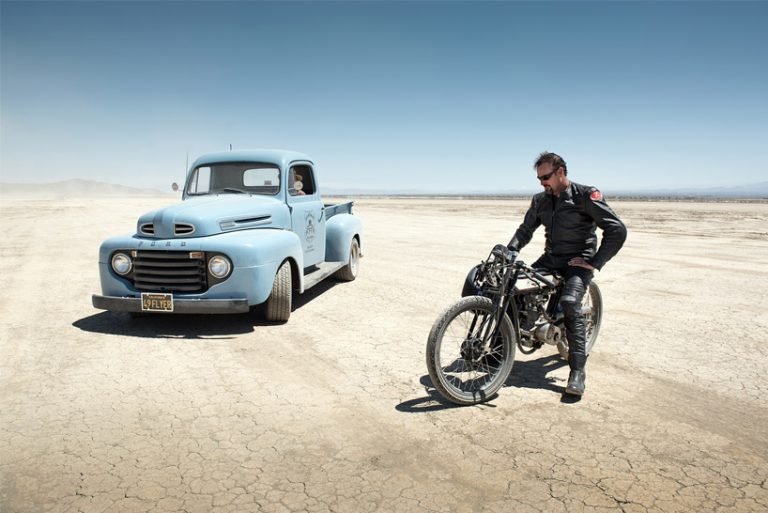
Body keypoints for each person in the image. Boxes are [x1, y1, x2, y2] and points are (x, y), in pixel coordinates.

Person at [507, 152, 627, 396]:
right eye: (539, 178)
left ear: (561, 172)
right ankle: (500, 352)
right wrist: (511, 249)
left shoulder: (586, 195)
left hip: (577, 261)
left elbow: (617, 229)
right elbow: (526, 229)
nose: (542, 183)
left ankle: (577, 372)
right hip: (551, 258)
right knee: (513, 289)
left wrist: (594, 262)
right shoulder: (541, 200)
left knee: (571, 303)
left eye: (546, 177)